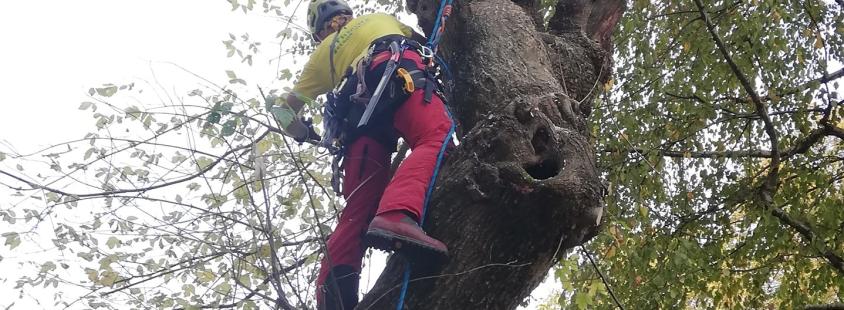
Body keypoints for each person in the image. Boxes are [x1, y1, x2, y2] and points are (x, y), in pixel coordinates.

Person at [271, 0, 454, 308]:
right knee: (436, 136)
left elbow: (282, 110)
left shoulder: (321, 55)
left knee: (358, 206)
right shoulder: (379, 18)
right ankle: (396, 215)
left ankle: (333, 296)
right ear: (346, 15)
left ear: (319, 31)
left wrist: (303, 133)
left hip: (356, 120)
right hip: (398, 72)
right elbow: (431, 44)